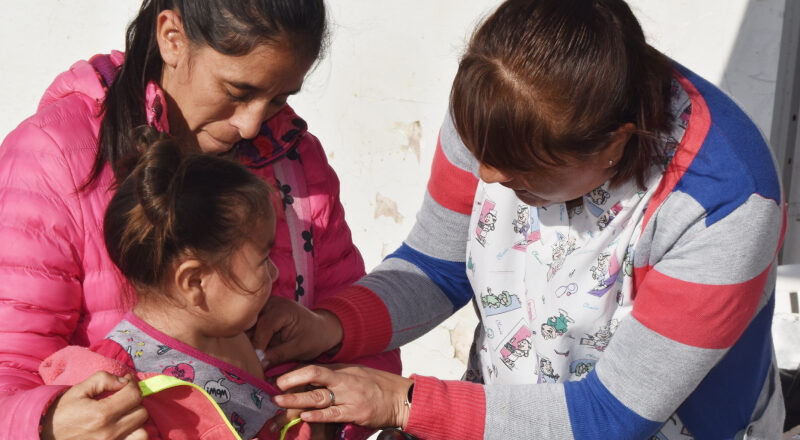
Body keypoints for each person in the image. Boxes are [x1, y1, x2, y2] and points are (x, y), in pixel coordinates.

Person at [256, 0, 787, 438]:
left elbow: (612, 417)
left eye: (521, 176)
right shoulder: (497, 104)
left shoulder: (726, 203)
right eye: (479, 153)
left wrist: (403, 404)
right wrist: (329, 326)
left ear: (613, 146)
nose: (485, 175)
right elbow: (436, 266)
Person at [0, 1, 399, 438]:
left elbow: (364, 346)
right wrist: (50, 423)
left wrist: (329, 415)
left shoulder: (297, 160)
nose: (251, 125)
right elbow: (10, 365)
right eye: (237, 91)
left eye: (278, 98)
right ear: (172, 37)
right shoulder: (54, 157)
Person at [41, 129, 285, 439]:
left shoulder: (235, 334)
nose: (276, 273)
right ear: (194, 281)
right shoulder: (118, 387)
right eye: (264, 260)